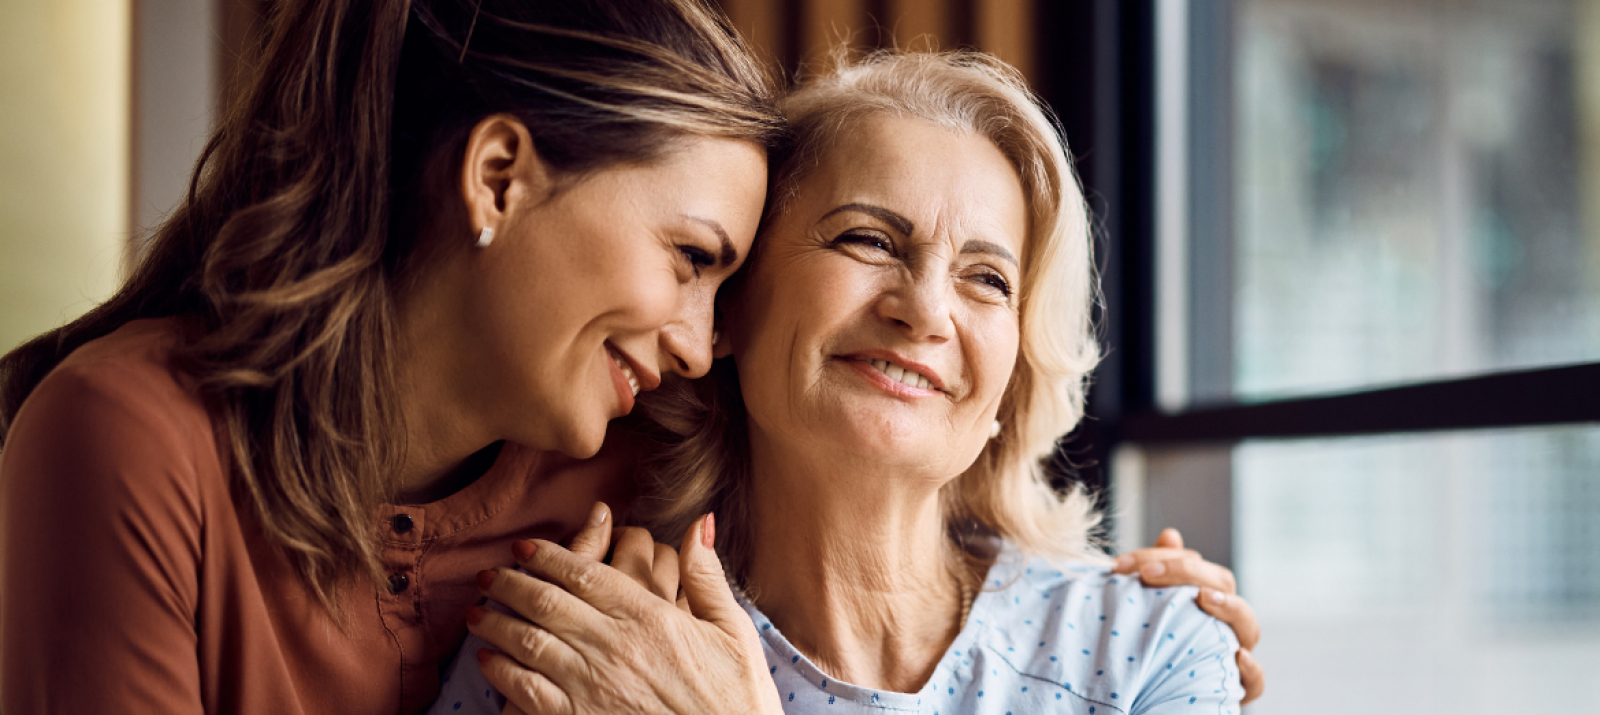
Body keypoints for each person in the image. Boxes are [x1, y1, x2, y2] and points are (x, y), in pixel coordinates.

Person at [0, 0, 781, 712]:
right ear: (498, 177)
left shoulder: (645, 496)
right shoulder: (131, 440)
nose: (694, 347)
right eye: (689, 258)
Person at [441, 50, 1259, 715]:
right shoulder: (584, 638)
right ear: (729, 307)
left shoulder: (1152, 644)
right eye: (868, 239)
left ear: (1012, 377)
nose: (927, 311)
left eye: (987, 279)